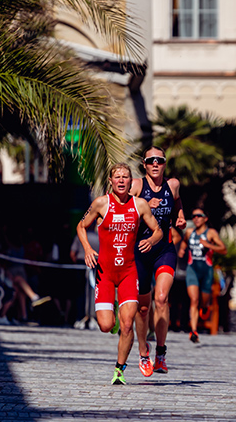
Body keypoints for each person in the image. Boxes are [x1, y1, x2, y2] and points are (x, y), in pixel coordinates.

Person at [77, 163, 164, 385]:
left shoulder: (140, 205)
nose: (122, 180)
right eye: (118, 177)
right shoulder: (101, 203)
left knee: (127, 325)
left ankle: (119, 369)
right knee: (107, 326)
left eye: (126, 177)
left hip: (128, 272)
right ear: (111, 181)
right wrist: (87, 249)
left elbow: (158, 230)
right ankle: (113, 310)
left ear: (130, 180)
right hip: (105, 272)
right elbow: (81, 226)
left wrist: (151, 240)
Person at [130, 146, 184, 376]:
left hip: (164, 249)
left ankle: (160, 354)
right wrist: (141, 208)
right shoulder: (136, 186)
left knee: (161, 299)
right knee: (143, 308)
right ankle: (144, 352)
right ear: (144, 164)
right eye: (150, 160)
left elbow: (177, 204)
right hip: (140, 250)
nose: (155, 164)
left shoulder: (173, 185)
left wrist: (180, 216)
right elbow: (120, 211)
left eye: (159, 160)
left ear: (164, 163)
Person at [177, 207, 227, 342]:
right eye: (193, 216)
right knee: (193, 299)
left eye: (199, 216)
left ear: (205, 218)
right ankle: (193, 331)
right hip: (192, 269)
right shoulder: (189, 232)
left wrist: (208, 245)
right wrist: (182, 250)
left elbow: (223, 249)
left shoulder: (210, 233)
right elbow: (184, 242)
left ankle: (204, 307)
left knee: (203, 301)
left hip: (206, 270)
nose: (196, 219)